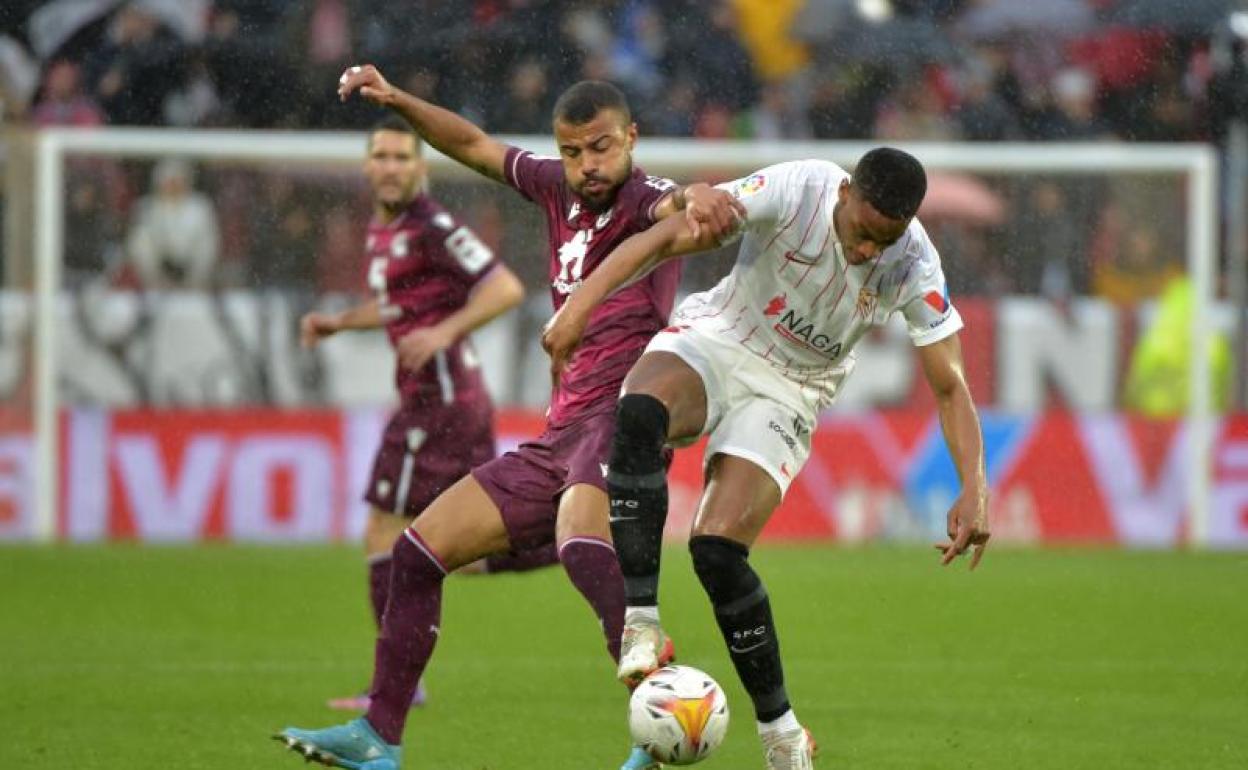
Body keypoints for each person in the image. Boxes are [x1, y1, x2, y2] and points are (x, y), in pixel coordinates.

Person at [275, 66, 741, 770]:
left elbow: (679, 206)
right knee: (416, 552)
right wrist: (398, 100)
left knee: (581, 546)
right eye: (573, 152)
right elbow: (472, 145)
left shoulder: (646, 198)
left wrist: (695, 194)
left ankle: (664, 717)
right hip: (559, 433)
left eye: (602, 148)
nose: (587, 165)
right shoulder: (554, 187)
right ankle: (379, 736)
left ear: (632, 139)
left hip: (621, 419)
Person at [543, 149, 991, 770]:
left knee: (717, 552)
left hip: (792, 390)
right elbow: (667, 237)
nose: (867, 251)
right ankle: (641, 622)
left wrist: (975, 486)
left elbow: (950, 384)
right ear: (845, 194)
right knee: (640, 410)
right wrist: (577, 308)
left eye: (883, 242)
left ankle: (782, 734)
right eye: (863, 232)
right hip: (721, 338)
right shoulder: (798, 187)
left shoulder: (915, 263)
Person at [299, 116, 546, 713]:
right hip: (443, 401)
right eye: (381, 156)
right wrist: (340, 322)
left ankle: (398, 687)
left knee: (386, 531)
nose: (390, 167)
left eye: (402, 157)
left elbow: (505, 288)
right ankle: (575, 536)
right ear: (367, 166)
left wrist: (443, 332)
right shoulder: (384, 230)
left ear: (420, 167)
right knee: (463, 548)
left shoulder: (432, 225)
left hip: (441, 403)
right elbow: (398, 306)